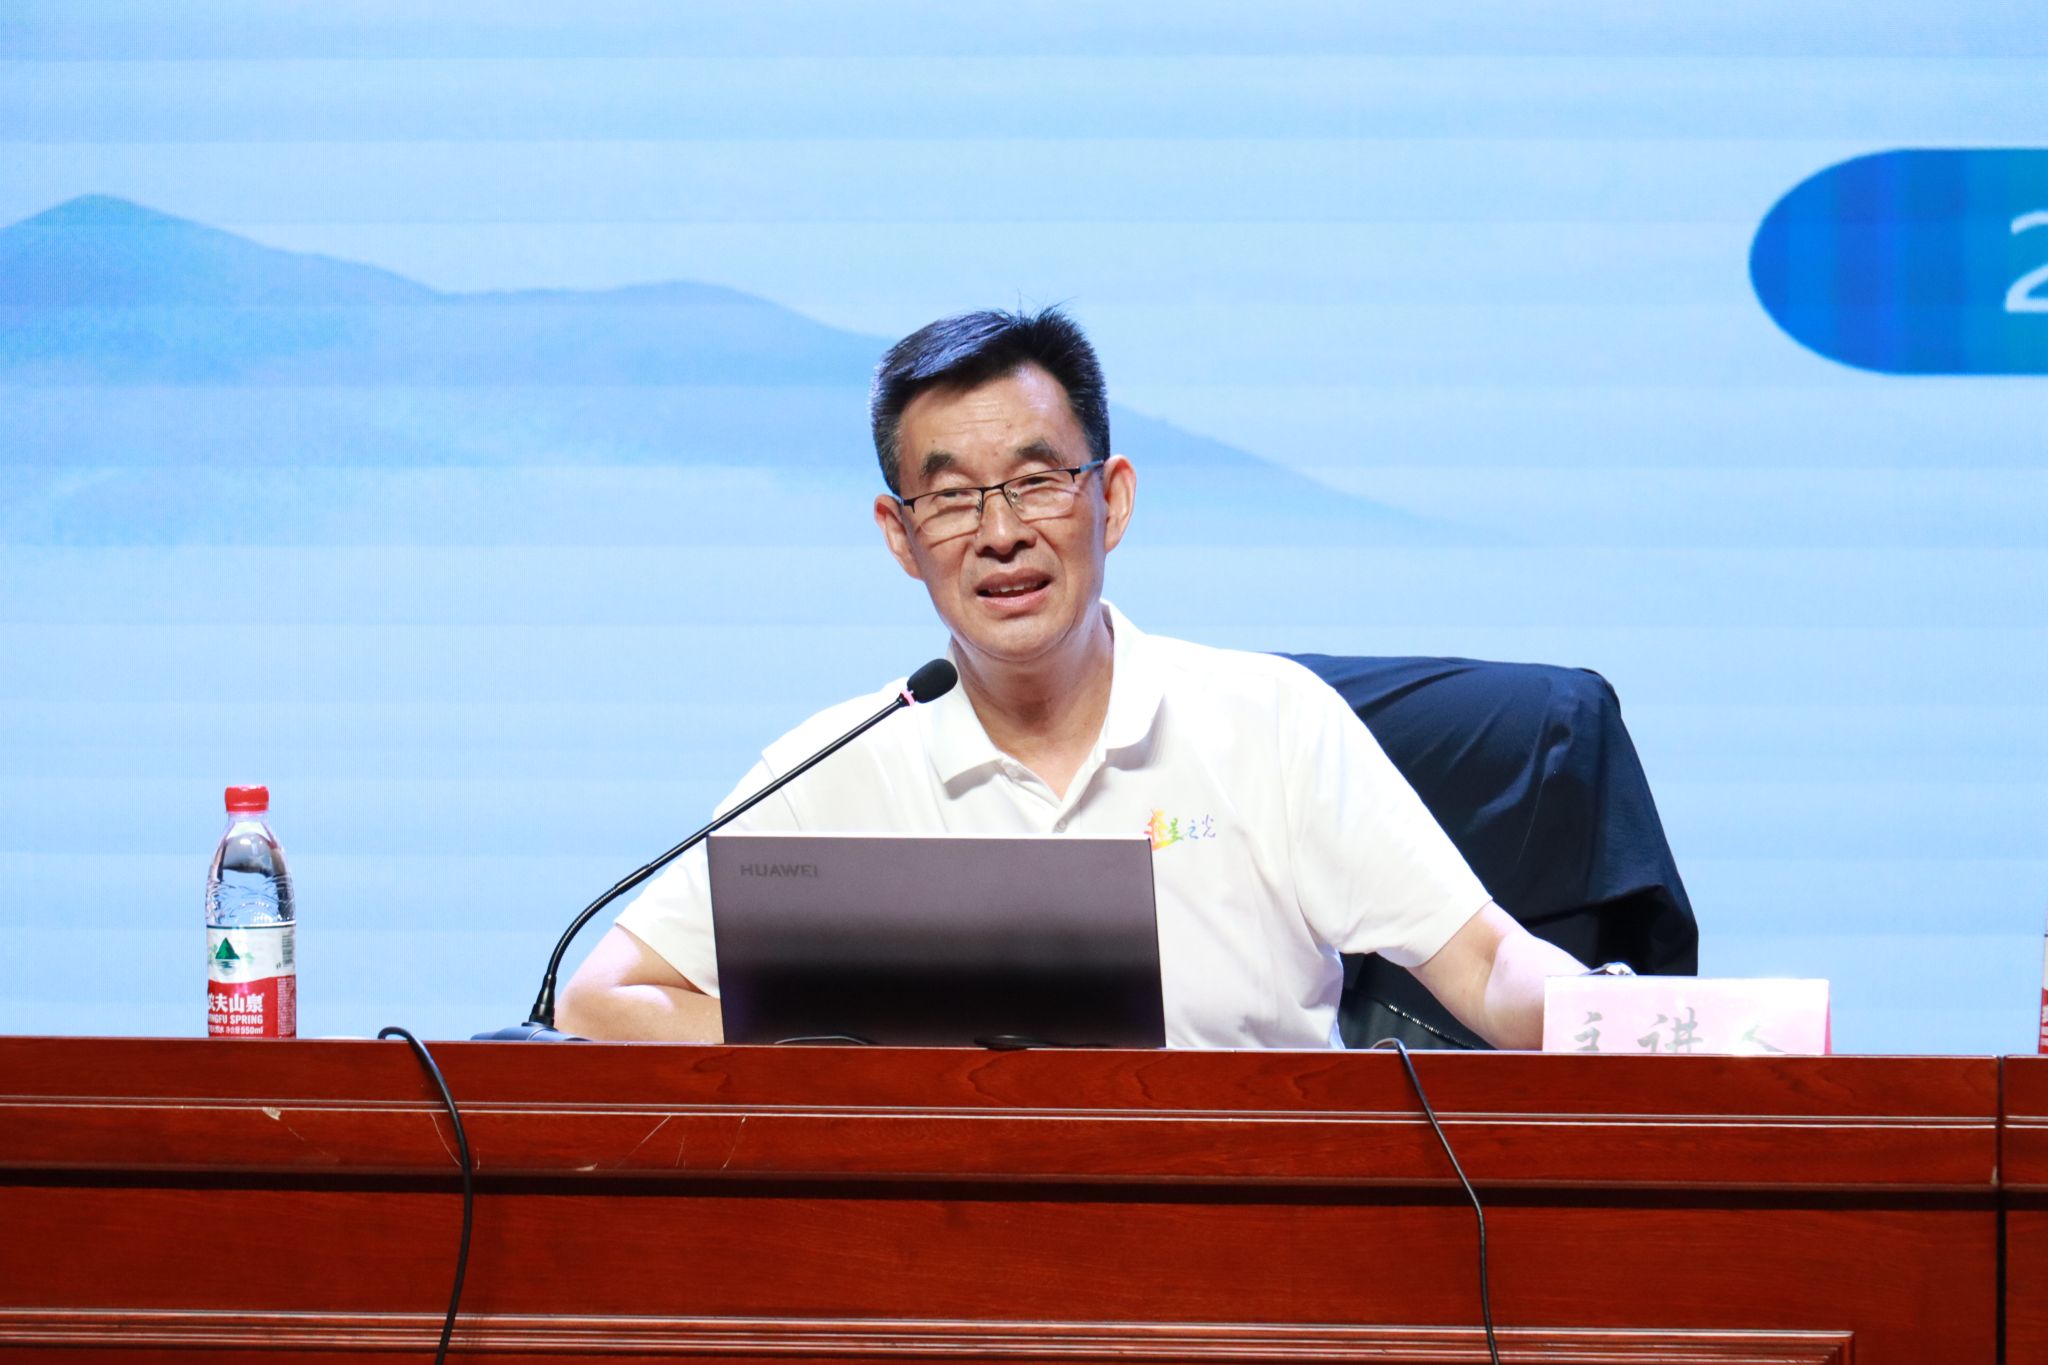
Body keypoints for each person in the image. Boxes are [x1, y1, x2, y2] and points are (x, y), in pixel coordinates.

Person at [557, 307, 1586, 1047]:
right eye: (950, 498)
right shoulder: (828, 769)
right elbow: (601, 1000)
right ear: (901, 538)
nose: (1000, 533)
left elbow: (1488, 964)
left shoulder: (1272, 723)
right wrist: (870, 1046)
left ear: (1112, 500)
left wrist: (1628, 1022)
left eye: (1037, 481)